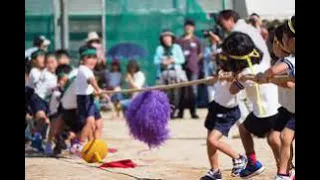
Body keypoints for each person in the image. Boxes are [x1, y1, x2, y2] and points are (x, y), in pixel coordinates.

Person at [222, 32, 286, 179]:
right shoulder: (262, 64)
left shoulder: (247, 74)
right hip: (262, 112)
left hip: (273, 113)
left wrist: (233, 80)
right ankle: (253, 163)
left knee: (273, 140)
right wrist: (232, 76)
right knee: (244, 129)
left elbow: (232, 90)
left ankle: (285, 170)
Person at [201, 60, 247, 180]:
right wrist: (214, 78)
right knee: (209, 140)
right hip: (215, 107)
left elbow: (233, 88)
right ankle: (215, 171)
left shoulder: (240, 74)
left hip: (228, 112)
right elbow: (217, 81)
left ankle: (239, 158)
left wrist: (229, 77)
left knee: (213, 140)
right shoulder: (221, 70)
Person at [261, 16, 295, 180]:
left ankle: (284, 173)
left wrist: (266, 76)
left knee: (284, 137)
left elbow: (280, 78)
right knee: (275, 137)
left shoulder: (291, 61)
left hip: (294, 110)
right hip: (287, 108)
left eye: (277, 40)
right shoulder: (282, 60)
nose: (274, 44)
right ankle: (286, 169)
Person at [73, 45, 104, 153]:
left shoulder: (87, 69)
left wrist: (95, 91)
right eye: (89, 57)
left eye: (94, 57)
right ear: (82, 59)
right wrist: (97, 88)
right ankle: (80, 145)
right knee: (90, 122)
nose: (92, 60)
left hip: (89, 97)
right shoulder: (83, 69)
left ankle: (95, 146)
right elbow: (90, 80)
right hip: (84, 99)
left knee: (99, 123)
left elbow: (88, 84)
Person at [154, 29, 186, 118]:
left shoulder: (177, 47)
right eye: (164, 37)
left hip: (175, 73)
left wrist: (173, 60)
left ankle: (173, 112)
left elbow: (182, 60)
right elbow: (155, 61)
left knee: (175, 94)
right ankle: (164, 112)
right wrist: (162, 61)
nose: (166, 39)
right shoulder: (159, 48)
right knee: (163, 94)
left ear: (172, 38)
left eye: (168, 37)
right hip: (163, 74)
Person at [26, 49, 52, 152]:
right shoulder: (34, 71)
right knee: (42, 119)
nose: (43, 59)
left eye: (43, 56)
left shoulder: (46, 71)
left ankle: (40, 139)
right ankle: (36, 140)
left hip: (43, 98)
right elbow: (39, 82)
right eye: (40, 57)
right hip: (33, 96)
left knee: (45, 121)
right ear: (33, 61)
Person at [176, 20, 202, 118]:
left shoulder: (196, 40)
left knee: (193, 90)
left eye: (190, 26)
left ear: (193, 28)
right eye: (186, 26)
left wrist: (194, 61)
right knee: (182, 90)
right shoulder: (179, 40)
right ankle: (180, 112)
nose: (188, 28)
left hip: (193, 68)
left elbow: (200, 53)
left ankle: (193, 112)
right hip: (182, 68)